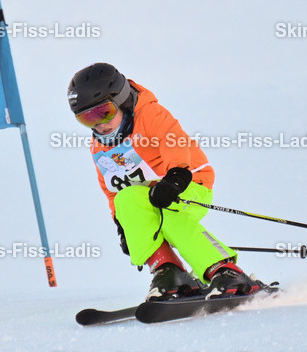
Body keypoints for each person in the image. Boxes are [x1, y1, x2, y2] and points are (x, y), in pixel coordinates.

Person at [68, 62, 266, 301]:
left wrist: (174, 179)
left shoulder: (149, 114)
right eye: (87, 119)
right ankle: (168, 271)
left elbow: (173, 140)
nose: (100, 124)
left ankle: (225, 271)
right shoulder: (99, 147)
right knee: (125, 201)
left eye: (104, 112)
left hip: (189, 183)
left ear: (120, 100)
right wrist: (122, 225)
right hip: (150, 195)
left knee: (169, 212)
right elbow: (112, 190)